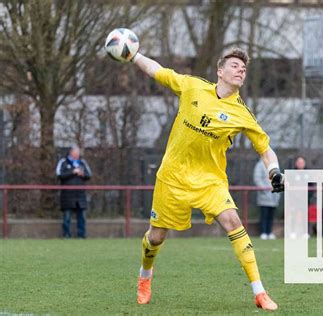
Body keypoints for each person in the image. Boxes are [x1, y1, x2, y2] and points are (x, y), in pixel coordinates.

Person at [130, 48, 284, 310]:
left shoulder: (241, 113)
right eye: (235, 65)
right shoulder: (192, 86)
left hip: (210, 181)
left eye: (244, 69)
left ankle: (259, 292)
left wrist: (275, 171)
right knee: (156, 237)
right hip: (172, 176)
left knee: (233, 221)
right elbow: (156, 70)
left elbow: (264, 149)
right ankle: (145, 276)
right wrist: (133, 54)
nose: (241, 70)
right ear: (220, 71)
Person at [55, 146, 92, 238]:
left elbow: (89, 175)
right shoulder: (63, 162)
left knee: (82, 217)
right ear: (71, 152)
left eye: (78, 153)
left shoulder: (82, 162)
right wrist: (72, 172)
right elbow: (59, 175)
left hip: (80, 194)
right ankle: (66, 235)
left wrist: (82, 174)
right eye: (75, 153)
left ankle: (81, 235)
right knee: (67, 217)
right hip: (67, 195)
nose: (77, 155)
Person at [253, 158, 280, 240]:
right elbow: (257, 179)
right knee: (264, 215)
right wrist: (265, 190)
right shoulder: (260, 165)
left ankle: (269, 232)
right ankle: (263, 232)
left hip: (274, 196)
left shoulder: (275, 165)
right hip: (264, 196)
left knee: (271, 216)